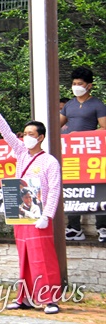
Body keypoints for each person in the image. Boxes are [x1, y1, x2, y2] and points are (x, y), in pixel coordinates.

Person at [0, 90, 61, 315]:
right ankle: (25, 297)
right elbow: (6, 133)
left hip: (39, 216)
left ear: (41, 137)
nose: (26, 136)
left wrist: (48, 215)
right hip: (21, 212)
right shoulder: (21, 153)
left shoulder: (49, 161)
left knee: (42, 258)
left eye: (30, 133)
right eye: (24, 133)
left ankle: (50, 299)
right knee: (25, 256)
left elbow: (55, 188)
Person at [60, 67, 106, 242]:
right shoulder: (69, 105)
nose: (76, 86)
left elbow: (104, 128)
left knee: (98, 190)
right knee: (72, 189)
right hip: (71, 155)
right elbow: (54, 124)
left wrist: (83, 136)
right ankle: (74, 228)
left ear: (89, 86)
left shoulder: (97, 105)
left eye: (80, 84)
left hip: (92, 154)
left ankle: (102, 228)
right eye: (74, 83)